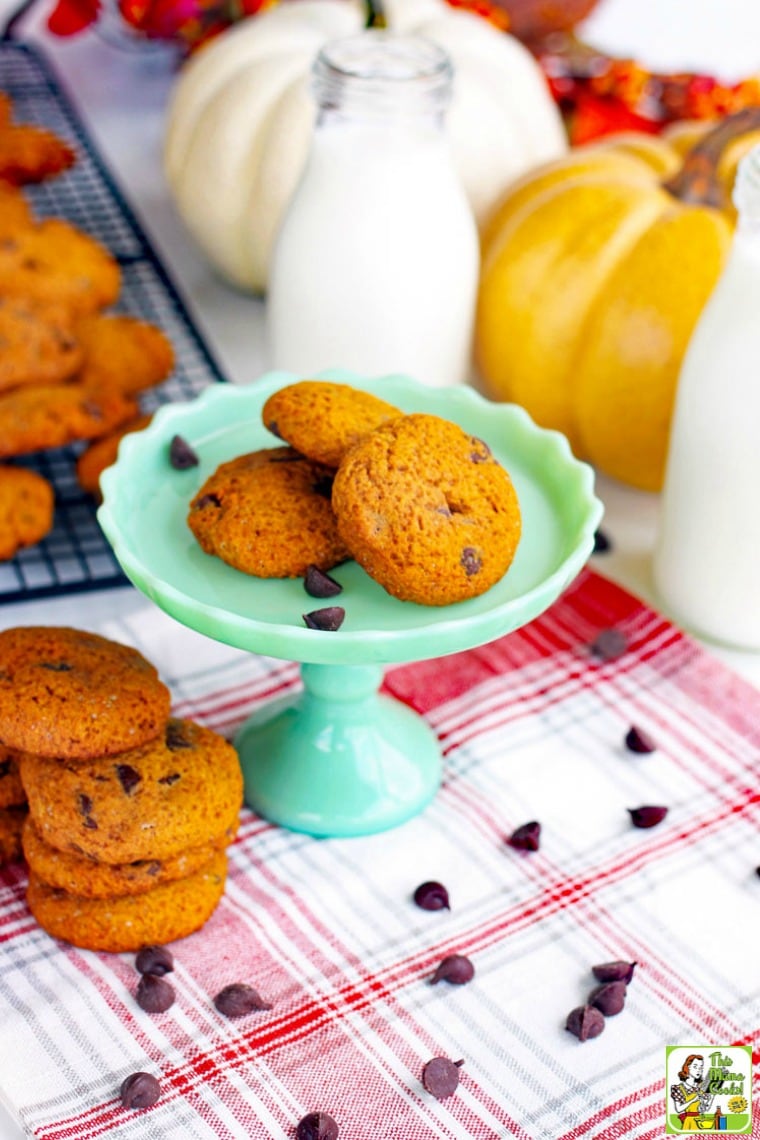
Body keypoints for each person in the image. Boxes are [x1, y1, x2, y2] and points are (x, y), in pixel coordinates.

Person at [670, 1054, 714, 1131]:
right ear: (687, 1067)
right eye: (695, 1067)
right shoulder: (678, 1088)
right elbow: (678, 1109)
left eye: (701, 1068)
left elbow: (704, 1109)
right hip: (689, 1122)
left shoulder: (700, 1087)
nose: (698, 1070)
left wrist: (712, 1095)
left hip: (700, 1122)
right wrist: (693, 1100)